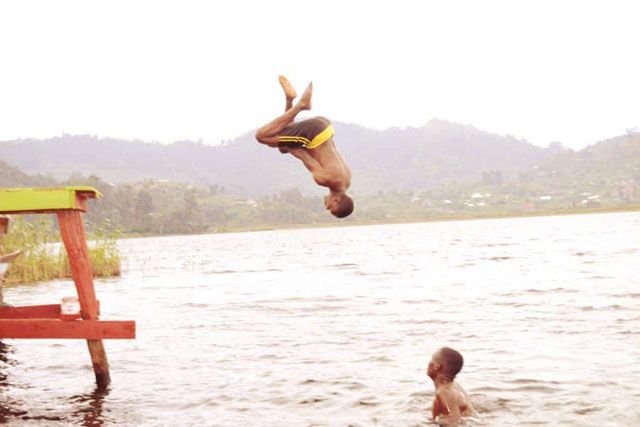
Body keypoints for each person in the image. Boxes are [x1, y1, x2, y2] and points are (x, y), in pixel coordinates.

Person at [255, 76, 354, 218]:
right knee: (262, 136)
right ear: (336, 200)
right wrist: (280, 144)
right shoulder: (325, 180)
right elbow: (301, 153)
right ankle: (301, 105)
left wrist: (283, 146)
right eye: (330, 208)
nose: (326, 206)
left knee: (282, 145)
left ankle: (289, 98)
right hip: (314, 133)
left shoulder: (346, 181)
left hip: (325, 129)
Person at [427, 347, 475, 422]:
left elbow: (453, 422)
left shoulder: (444, 393)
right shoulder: (455, 386)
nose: (429, 362)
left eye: (431, 359)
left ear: (436, 367)